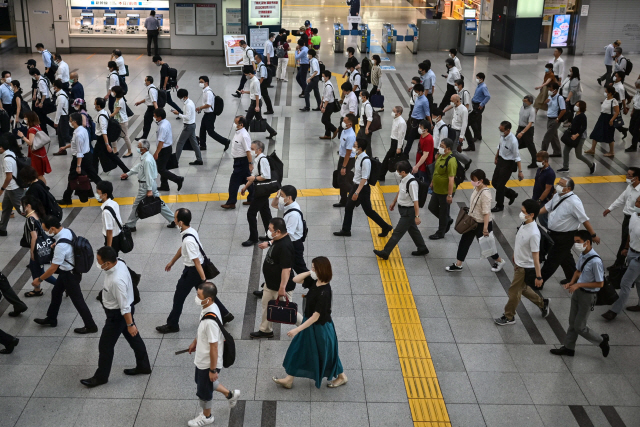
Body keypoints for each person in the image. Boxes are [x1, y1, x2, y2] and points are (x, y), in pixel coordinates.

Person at [80, 246, 152, 388]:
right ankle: (144, 366)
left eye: (99, 261)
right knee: (134, 339)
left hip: (117, 316)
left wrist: (130, 324)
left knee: (105, 346)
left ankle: (101, 377)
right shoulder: (120, 262)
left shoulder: (116, 281)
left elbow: (124, 306)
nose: (97, 263)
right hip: (122, 313)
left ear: (107, 263)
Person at [272, 257, 347, 389]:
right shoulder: (315, 281)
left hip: (320, 328)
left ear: (321, 270)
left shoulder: (324, 292)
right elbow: (295, 279)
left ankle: (341, 376)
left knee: (326, 354)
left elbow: (316, 317)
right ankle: (289, 379)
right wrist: (309, 273)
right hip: (310, 324)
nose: (312, 270)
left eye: (314, 268)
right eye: (312, 267)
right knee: (298, 349)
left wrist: (297, 329)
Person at [157, 208, 233, 334]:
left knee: (179, 297)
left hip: (192, 271)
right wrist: (172, 261)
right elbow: (183, 249)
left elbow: (196, 261)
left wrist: (204, 280)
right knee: (207, 294)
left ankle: (172, 324)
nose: (174, 220)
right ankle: (225, 314)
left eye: (175, 218)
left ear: (181, 222)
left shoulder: (188, 240)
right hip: (196, 269)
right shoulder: (189, 230)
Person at [32, 215, 98, 334]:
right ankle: (51, 318)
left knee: (78, 300)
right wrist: (55, 245)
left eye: (46, 230)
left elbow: (52, 269)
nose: (46, 233)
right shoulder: (67, 231)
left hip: (70, 275)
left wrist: (39, 279)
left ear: (52, 229)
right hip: (68, 272)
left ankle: (91, 325)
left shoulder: (61, 246)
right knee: (56, 292)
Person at [187, 282, 240, 427]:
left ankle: (207, 416)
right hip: (203, 358)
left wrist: (212, 369)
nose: (196, 298)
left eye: (199, 295)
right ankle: (230, 394)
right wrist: (195, 342)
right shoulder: (210, 307)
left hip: (207, 362)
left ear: (208, 298)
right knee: (202, 382)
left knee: (203, 391)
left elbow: (214, 347)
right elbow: (202, 330)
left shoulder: (210, 320)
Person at [550, 230, 610, 358]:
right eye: (575, 242)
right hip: (578, 293)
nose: (576, 244)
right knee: (572, 321)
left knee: (579, 326)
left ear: (587, 242)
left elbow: (600, 283)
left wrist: (579, 284)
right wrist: (572, 283)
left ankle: (601, 340)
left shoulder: (595, 261)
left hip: (588, 296)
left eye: (578, 242)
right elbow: (578, 271)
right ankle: (568, 348)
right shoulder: (583, 254)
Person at [494, 199, 550, 326]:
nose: (521, 213)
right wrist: (515, 255)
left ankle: (509, 316)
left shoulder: (534, 233)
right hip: (519, 263)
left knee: (514, 292)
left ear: (532, 215)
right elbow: (520, 242)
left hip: (525, 267)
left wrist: (539, 276)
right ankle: (542, 303)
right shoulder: (524, 224)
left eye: (523, 212)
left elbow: (536, 257)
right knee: (523, 288)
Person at [539, 177, 600, 287]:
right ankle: (573, 277)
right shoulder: (557, 195)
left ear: (569, 188)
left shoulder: (574, 202)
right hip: (553, 233)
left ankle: (539, 282)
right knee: (565, 257)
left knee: (552, 260)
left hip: (565, 236)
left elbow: (584, 219)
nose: (558, 185)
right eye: (558, 183)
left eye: (561, 184)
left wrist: (593, 235)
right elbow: (547, 207)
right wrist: (533, 214)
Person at [445, 169, 506, 273]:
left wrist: (485, 229)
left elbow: (486, 213)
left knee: (487, 246)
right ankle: (458, 264)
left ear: (481, 180)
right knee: (464, 242)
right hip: (472, 222)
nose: (472, 181)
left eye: (474, 179)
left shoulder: (485, 194)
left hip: (482, 224)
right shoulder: (476, 188)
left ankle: (499, 260)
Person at [250, 217, 300, 339]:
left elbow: (286, 269)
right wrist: (269, 243)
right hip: (271, 283)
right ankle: (266, 330)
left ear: (277, 231)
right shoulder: (278, 239)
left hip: (281, 286)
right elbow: (274, 241)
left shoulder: (285, 247)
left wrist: (282, 288)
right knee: (266, 305)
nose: (268, 231)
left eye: (270, 229)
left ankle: (306, 326)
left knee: (289, 310)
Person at [334, 139, 392, 237]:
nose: (353, 147)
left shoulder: (365, 161)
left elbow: (364, 179)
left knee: (368, 211)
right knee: (348, 207)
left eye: (355, 145)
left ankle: (385, 226)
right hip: (356, 186)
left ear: (360, 148)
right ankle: (346, 230)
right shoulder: (358, 157)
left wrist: (356, 193)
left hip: (362, 189)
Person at [373, 160, 429, 260]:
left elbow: (416, 201)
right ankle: (422, 248)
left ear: (403, 172)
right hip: (403, 209)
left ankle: (385, 252)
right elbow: (401, 191)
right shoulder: (404, 179)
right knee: (412, 229)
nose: (397, 173)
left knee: (397, 233)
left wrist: (417, 216)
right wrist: (394, 202)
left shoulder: (412, 183)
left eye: (398, 171)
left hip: (408, 212)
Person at [121, 139, 176, 231]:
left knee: (137, 205)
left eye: (138, 147)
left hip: (146, 186)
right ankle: (173, 220)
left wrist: (149, 190)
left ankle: (130, 225)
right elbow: (139, 167)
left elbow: (149, 176)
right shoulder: (146, 157)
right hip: (150, 185)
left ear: (144, 149)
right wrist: (128, 173)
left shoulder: (147, 160)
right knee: (159, 203)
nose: (137, 148)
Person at [603, 195, 640, 319]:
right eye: (637, 200)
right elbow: (631, 233)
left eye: (639, 202)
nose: (636, 203)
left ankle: (614, 311)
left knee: (625, 283)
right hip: (631, 252)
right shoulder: (634, 216)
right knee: (639, 281)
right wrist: (626, 247)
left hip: (638, 258)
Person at [58, 112, 102, 205]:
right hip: (87, 156)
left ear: (74, 122)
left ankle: (67, 198)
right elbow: (78, 145)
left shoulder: (78, 134)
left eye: (70, 121)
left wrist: (78, 165)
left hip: (80, 159)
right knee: (93, 176)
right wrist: (65, 147)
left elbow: (79, 152)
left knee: (73, 177)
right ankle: (67, 197)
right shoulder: (83, 129)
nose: (69, 123)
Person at [263, 185, 308, 274]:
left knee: (301, 269)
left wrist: (270, 243)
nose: (280, 198)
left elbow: (287, 234)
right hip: (289, 243)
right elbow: (274, 204)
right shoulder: (289, 204)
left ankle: (313, 284)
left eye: (282, 195)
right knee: (282, 265)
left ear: (289, 197)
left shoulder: (293, 214)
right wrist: (277, 196)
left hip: (294, 245)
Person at [21, 195, 58, 299]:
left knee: (42, 274)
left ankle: (63, 286)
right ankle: (37, 290)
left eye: (22, 205)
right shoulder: (37, 216)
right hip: (41, 247)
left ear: (28, 206)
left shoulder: (30, 219)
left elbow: (34, 237)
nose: (21, 207)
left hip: (37, 249)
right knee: (33, 269)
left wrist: (32, 252)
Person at [603, 168, 640, 269]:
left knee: (625, 241)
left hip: (635, 219)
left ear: (636, 178)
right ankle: (621, 262)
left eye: (629, 175)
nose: (626, 177)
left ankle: (619, 264)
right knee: (624, 240)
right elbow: (621, 199)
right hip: (627, 218)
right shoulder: (629, 186)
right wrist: (610, 209)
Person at [240, 140, 272, 247]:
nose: (251, 151)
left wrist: (253, 178)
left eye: (253, 149)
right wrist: (245, 187)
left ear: (260, 150)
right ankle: (270, 234)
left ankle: (253, 238)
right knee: (265, 213)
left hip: (262, 192)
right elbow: (254, 175)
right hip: (259, 190)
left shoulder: (263, 160)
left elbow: (266, 176)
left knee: (251, 214)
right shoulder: (257, 159)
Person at [491, 121, 523, 212]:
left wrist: (520, 172)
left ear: (508, 130)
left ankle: (499, 205)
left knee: (500, 185)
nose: (500, 132)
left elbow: (517, 157)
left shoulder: (513, 141)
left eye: (502, 130)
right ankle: (511, 194)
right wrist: (496, 156)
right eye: (499, 129)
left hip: (508, 164)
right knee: (494, 182)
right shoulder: (503, 135)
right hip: (501, 160)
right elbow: (500, 146)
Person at [222, 116, 253, 209]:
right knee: (248, 180)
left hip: (242, 162)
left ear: (241, 124)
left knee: (234, 183)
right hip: (238, 161)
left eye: (236, 123)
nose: (234, 124)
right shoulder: (238, 133)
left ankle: (231, 202)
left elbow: (248, 151)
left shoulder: (244, 135)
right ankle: (253, 198)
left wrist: (250, 164)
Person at [93, 97, 130, 177]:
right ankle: (125, 169)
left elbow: (104, 131)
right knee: (97, 156)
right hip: (102, 140)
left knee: (108, 155)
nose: (94, 105)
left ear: (98, 106)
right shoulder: (105, 112)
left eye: (95, 104)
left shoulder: (101, 116)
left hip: (102, 140)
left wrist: (107, 144)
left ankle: (126, 169)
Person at [428, 138, 456, 240]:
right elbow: (436, 170)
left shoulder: (451, 160)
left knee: (443, 212)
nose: (440, 148)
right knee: (432, 207)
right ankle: (447, 220)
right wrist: (432, 182)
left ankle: (441, 232)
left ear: (448, 149)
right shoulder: (440, 156)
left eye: (442, 147)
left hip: (445, 192)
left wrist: (449, 195)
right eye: (440, 146)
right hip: (437, 189)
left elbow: (451, 178)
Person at [239, 66, 277, 139]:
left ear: (250, 73)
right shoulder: (252, 80)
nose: (245, 76)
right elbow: (253, 92)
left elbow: (257, 94)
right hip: (255, 102)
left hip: (255, 103)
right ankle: (272, 131)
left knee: (247, 120)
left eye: (246, 74)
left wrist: (257, 106)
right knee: (259, 119)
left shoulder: (255, 81)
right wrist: (245, 92)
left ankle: (244, 136)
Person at [558, 101, 595, 174]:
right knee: (566, 151)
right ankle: (565, 167)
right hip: (572, 136)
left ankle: (591, 165)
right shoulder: (576, 113)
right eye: (576, 104)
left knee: (578, 155)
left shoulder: (582, 116)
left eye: (577, 105)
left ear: (581, 107)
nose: (576, 106)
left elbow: (584, 127)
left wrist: (577, 135)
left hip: (580, 137)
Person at [153, 108, 184, 192]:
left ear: (159, 117)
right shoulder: (166, 122)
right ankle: (164, 185)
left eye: (155, 115)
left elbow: (161, 142)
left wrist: (156, 153)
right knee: (164, 167)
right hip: (167, 148)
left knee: (161, 169)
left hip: (164, 150)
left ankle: (178, 179)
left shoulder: (162, 127)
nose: (154, 116)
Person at [16, 112, 52, 183]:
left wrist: (22, 136)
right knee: (39, 174)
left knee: (38, 174)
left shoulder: (31, 129)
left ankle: (43, 188)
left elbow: (30, 142)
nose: (25, 119)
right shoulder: (37, 126)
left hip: (36, 153)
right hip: (40, 151)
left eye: (26, 117)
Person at [197, 75, 230, 151]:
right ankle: (202, 145)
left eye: (201, 82)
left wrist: (199, 108)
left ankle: (225, 141)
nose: (200, 83)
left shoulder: (208, 92)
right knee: (202, 130)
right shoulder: (205, 91)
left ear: (206, 82)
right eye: (199, 82)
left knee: (210, 132)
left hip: (210, 115)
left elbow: (208, 104)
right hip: (207, 114)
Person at [0, 135, 25, 236]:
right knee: (6, 208)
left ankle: (40, 223)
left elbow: (9, 177)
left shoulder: (7, 159)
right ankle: (2, 229)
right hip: (10, 188)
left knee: (22, 210)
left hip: (13, 188)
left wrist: (2, 188)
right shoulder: (10, 153)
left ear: (1, 147)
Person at [585, 85, 619, 157]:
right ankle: (592, 149)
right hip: (602, 117)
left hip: (609, 118)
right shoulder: (606, 99)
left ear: (610, 93)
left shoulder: (614, 101)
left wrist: (612, 120)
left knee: (609, 135)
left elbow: (617, 112)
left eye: (606, 91)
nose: (604, 92)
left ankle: (612, 152)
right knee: (595, 132)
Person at [172, 88, 203, 166]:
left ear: (185, 96)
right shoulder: (190, 102)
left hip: (188, 127)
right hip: (192, 125)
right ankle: (199, 159)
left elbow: (187, 117)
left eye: (180, 97)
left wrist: (178, 114)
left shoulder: (188, 105)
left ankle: (175, 161)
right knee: (194, 143)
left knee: (180, 143)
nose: (180, 99)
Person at [334, 114, 357, 208]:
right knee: (341, 180)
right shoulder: (344, 130)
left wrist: (344, 166)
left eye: (345, 121)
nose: (343, 122)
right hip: (342, 157)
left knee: (343, 181)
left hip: (348, 160)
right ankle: (344, 200)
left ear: (350, 124)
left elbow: (348, 152)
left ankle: (356, 195)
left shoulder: (351, 136)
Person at [379, 106, 406, 181]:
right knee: (401, 160)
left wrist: (399, 147)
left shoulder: (401, 122)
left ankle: (381, 175)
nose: (392, 113)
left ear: (399, 113)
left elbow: (401, 136)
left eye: (394, 111)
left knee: (387, 158)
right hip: (393, 141)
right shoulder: (395, 119)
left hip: (396, 143)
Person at [96, 181, 123, 254]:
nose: (96, 195)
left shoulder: (106, 212)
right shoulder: (114, 203)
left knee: (111, 259)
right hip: (118, 235)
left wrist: (108, 248)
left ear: (105, 195)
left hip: (112, 240)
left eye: (98, 193)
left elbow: (109, 231)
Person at [465, 73, 490, 150]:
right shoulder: (479, 85)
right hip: (475, 105)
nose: (476, 79)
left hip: (478, 106)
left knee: (472, 121)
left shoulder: (483, 87)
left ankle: (476, 136)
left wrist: (482, 104)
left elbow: (488, 96)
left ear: (482, 79)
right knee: (478, 121)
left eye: (478, 78)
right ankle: (479, 136)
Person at [403, 83, 430, 155]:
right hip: (414, 119)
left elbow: (427, 113)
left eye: (417, 91)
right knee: (411, 137)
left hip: (419, 121)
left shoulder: (424, 100)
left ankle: (406, 153)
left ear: (421, 91)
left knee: (412, 137)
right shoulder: (418, 98)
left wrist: (430, 123)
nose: (416, 93)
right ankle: (406, 153)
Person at [540, 81, 565, 158]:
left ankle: (542, 153)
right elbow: (548, 105)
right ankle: (557, 152)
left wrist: (558, 119)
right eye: (549, 89)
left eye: (550, 89)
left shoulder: (559, 98)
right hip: (549, 118)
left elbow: (563, 110)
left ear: (555, 90)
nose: (549, 91)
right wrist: (545, 102)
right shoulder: (550, 97)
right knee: (554, 136)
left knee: (547, 137)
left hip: (555, 120)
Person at [532, 151, 555, 229]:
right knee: (532, 217)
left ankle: (552, 231)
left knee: (543, 220)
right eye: (537, 161)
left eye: (539, 161)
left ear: (545, 161)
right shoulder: (540, 169)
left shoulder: (550, 173)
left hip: (542, 201)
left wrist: (539, 201)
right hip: (535, 197)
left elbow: (547, 189)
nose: (537, 163)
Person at [109, 86, 133, 157]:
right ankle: (115, 150)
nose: (112, 92)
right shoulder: (117, 99)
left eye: (113, 91)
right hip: (117, 120)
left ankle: (129, 151)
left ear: (116, 92)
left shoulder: (120, 101)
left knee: (125, 136)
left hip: (122, 121)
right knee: (113, 135)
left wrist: (108, 116)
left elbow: (115, 112)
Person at [29, 68, 54, 135]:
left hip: (44, 101)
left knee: (42, 119)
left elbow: (44, 93)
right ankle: (54, 126)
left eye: (33, 76)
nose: (33, 78)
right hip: (41, 100)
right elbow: (39, 92)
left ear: (35, 74)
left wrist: (41, 102)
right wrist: (37, 100)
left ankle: (46, 134)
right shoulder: (40, 80)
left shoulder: (41, 82)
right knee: (43, 117)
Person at [135, 76, 159, 141]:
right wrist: (140, 102)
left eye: (145, 80)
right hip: (151, 108)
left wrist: (157, 111)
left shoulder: (151, 90)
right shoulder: (151, 88)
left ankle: (144, 137)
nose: (144, 82)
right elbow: (147, 99)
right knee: (148, 122)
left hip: (152, 108)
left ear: (149, 81)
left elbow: (154, 101)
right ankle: (144, 136)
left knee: (147, 123)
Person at [517, 95, 537, 168]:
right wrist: (518, 128)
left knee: (530, 146)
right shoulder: (522, 107)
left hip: (528, 130)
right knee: (516, 144)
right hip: (521, 127)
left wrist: (522, 132)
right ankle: (513, 161)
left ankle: (535, 162)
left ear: (530, 102)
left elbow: (530, 123)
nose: (523, 102)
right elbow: (521, 118)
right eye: (523, 100)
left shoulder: (532, 110)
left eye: (525, 101)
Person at [413, 119, 434, 186]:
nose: (419, 128)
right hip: (420, 164)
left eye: (421, 127)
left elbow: (425, 155)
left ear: (426, 129)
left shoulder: (428, 139)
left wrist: (416, 166)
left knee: (423, 185)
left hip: (424, 166)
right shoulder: (422, 135)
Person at [610, 71, 629, 139]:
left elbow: (623, 99)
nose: (614, 77)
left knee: (613, 119)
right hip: (612, 103)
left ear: (620, 78)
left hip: (616, 105)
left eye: (616, 76)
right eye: (614, 75)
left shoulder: (620, 87)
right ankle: (622, 129)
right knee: (612, 119)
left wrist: (624, 108)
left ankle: (621, 130)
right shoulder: (614, 83)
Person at [319, 70, 337, 140]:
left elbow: (328, 98)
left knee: (324, 120)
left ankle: (334, 129)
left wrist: (324, 107)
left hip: (329, 105)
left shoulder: (329, 86)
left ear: (327, 77)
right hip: (326, 104)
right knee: (327, 119)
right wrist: (321, 103)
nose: (322, 78)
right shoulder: (325, 83)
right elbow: (324, 94)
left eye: (323, 76)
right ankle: (327, 134)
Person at [356, 90, 374, 155]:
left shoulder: (367, 105)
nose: (359, 97)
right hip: (362, 127)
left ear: (364, 97)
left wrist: (367, 128)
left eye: (360, 95)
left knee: (367, 145)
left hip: (365, 128)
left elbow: (370, 118)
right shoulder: (363, 104)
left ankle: (370, 159)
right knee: (357, 141)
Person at [625, 79, 640, 152]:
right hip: (636, 111)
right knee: (631, 128)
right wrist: (633, 111)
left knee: (636, 129)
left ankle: (634, 146)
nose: (636, 87)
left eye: (637, 86)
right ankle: (638, 140)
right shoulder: (637, 92)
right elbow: (635, 102)